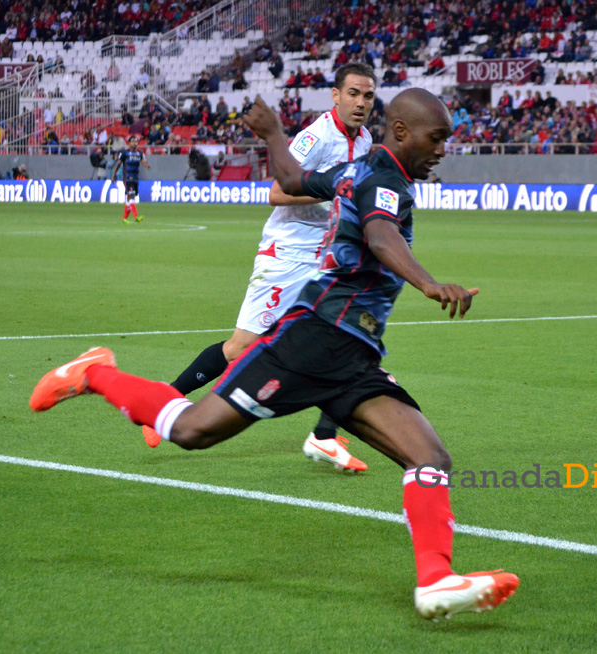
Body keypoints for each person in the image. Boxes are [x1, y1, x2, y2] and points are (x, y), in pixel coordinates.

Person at [29, 88, 519, 621]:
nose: (443, 148)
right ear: (402, 131)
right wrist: (428, 284)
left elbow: (290, 182)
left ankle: (435, 581)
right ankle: (97, 374)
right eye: (437, 136)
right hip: (315, 339)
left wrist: (273, 135)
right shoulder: (383, 181)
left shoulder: (356, 170)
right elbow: (380, 238)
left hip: (353, 354)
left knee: (430, 459)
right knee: (193, 430)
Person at [156, 63, 378, 471]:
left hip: (327, 259)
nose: (361, 103)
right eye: (353, 94)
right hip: (288, 255)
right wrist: (331, 197)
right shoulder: (316, 136)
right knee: (241, 347)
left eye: (368, 95)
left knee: (346, 342)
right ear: (335, 95)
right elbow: (277, 192)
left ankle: (325, 436)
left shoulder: (364, 139)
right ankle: (166, 399)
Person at [110, 135, 150, 223]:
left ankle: (124, 218)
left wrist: (146, 165)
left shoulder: (140, 153)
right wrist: (113, 175)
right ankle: (136, 216)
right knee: (131, 196)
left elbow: (143, 161)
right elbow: (118, 164)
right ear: (129, 143)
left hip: (136, 178)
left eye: (136, 141)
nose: (134, 143)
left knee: (129, 198)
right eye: (133, 141)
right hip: (127, 178)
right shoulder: (124, 153)